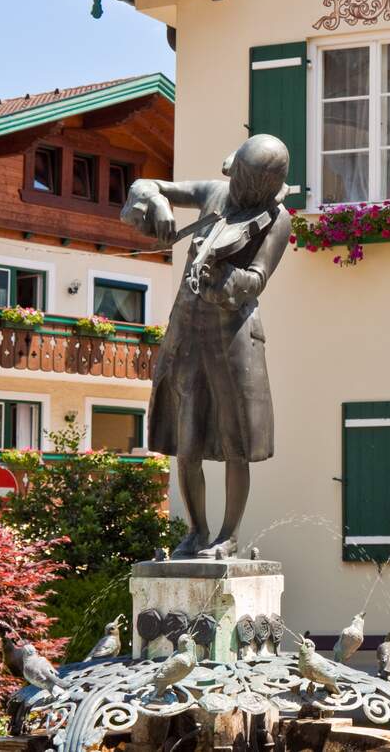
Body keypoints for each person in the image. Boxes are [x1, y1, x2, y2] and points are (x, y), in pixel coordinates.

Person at [121, 135, 292, 559]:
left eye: (245, 184)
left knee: (238, 442)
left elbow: (257, 278)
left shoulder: (276, 218)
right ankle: (196, 532)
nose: (234, 188)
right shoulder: (216, 192)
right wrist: (157, 201)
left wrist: (224, 279)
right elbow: (146, 184)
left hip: (233, 334)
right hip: (188, 330)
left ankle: (228, 536)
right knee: (187, 438)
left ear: (261, 187)